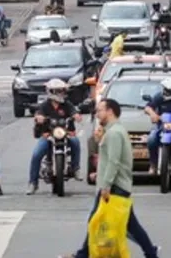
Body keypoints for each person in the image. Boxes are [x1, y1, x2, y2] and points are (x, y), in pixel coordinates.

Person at [61, 98, 159, 258]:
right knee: (124, 224)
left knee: (97, 220)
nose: (97, 114)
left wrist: (105, 186)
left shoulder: (114, 133)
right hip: (116, 186)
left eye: (100, 110)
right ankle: (150, 252)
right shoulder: (114, 131)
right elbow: (110, 160)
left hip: (114, 188)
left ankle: (83, 254)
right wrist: (99, 174)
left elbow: (114, 161)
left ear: (110, 111)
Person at [28, 79, 82, 195]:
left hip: (65, 133)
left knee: (76, 142)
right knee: (36, 154)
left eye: (62, 90)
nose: (61, 93)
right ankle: (33, 182)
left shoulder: (66, 104)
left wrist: (76, 116)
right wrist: (39, 118)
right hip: (48, 135)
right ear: (51, 91)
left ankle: (75, 167)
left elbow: (73, 112)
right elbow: (38, 114)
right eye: (58, 91)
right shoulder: (45, 105)